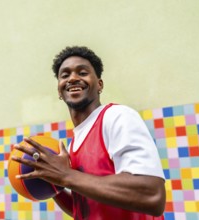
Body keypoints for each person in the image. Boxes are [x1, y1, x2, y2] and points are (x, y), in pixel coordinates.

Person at [12, 46, 166, 220]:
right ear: (59, 91)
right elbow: (85, 209)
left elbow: (152, 195)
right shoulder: (74, 143)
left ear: (99, 84)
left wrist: (65, 175)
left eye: (83, 73)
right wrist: (52, 182)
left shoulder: (117, 117)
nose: (73, 78)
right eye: (65, 75)